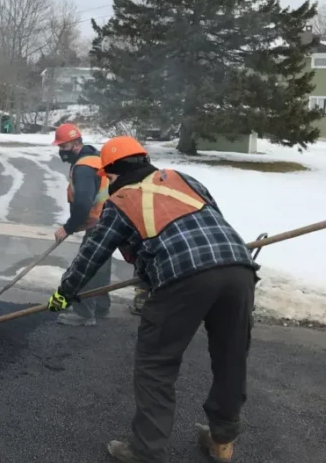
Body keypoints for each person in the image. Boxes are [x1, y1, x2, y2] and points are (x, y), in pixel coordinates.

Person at [46, 136, 258, 463]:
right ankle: (222, 441)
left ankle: (146, 451)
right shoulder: (184, 179)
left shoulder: (122, 200)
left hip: (183, 278)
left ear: (113, 174)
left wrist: (65, 292)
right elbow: (211, 221)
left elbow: (92, 254)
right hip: (237, 268)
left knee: (156, 366)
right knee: (231, 359)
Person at [52, 123, 112, 326]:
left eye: (64, 146)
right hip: (108, 221)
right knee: (101, 266)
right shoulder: (94, 158)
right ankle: (101, 307)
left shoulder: (84, 168)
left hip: (98, 223)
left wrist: (67, 228)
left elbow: (83, 203)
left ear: (76, 144)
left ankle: (84, 313)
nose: (61, 151)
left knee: (85, 266)